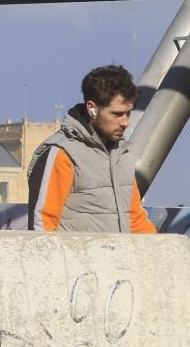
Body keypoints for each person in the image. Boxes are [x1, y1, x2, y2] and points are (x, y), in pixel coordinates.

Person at [28, 64, 156, 234]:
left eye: (128, 113)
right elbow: (42, 226)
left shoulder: (122, 155)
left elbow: (136, 220)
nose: (125, 122)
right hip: (74, 260)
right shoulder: (62, 154)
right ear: (92, 109)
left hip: (121, 259)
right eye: (117, 114)